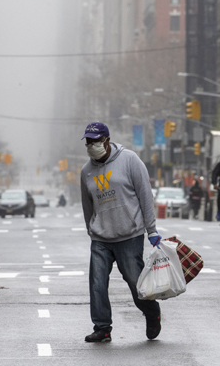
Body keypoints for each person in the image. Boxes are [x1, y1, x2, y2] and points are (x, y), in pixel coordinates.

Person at [79, 122, 162, 343]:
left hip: (129, 235)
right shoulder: (86, 171)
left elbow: (145, 195)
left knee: (136, 283)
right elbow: (87, 206)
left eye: (95, 141)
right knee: (97, 284)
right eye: (88, 142)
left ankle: (152, 313)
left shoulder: (130, 160)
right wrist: (92, 230)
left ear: (106, 140)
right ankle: (102, 328)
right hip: (101, 238)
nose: (91, 146)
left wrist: (151, 229)